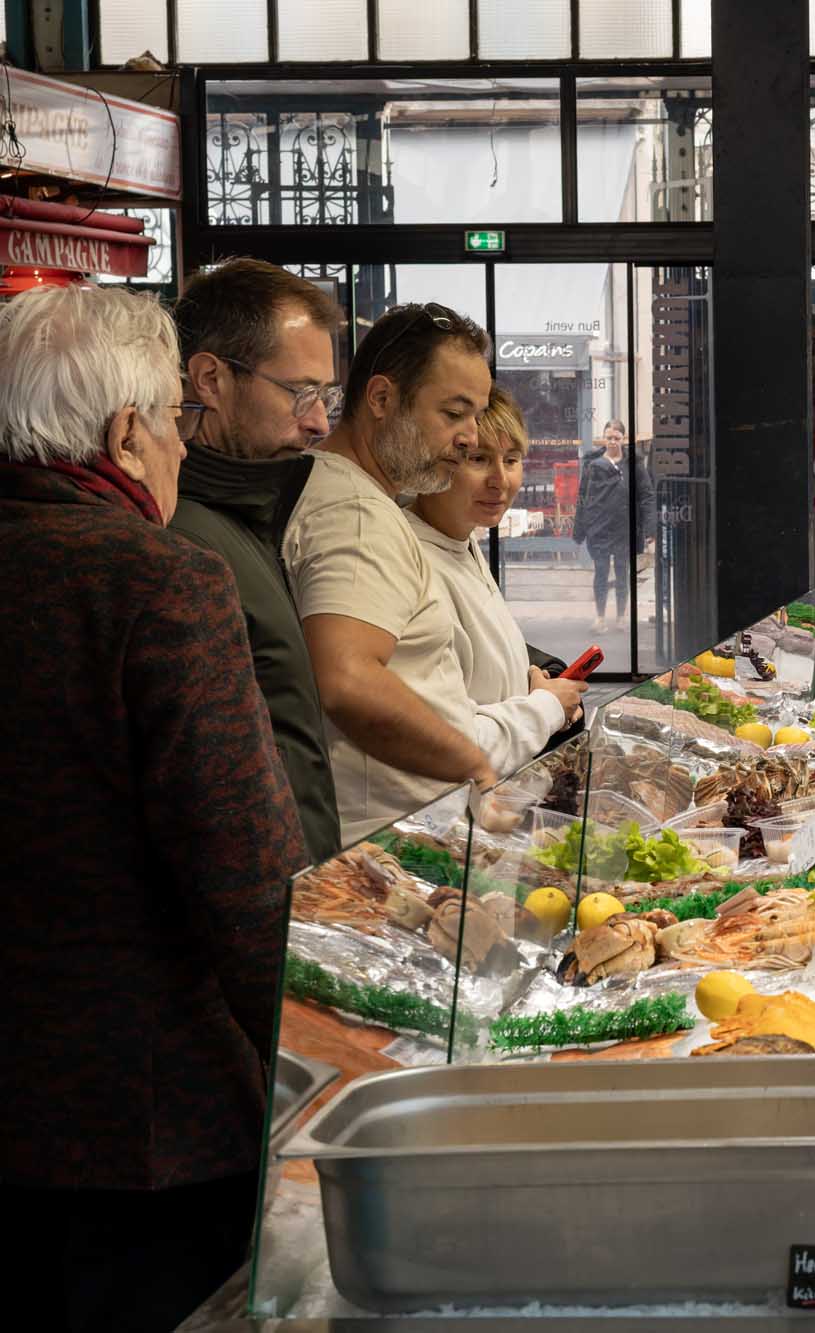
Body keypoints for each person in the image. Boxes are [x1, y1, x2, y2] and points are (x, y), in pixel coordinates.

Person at [0, 285, 305, 1330]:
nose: (181, 445)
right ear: (128, 433)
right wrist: (321, 1063)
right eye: (176, 421)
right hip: (139, 1126)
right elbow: (247, 877)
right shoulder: (160, 581)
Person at [285, 302, 498, 845]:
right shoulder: (357, 514)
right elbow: (347, 678)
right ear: (380, 398)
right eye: (453, 414)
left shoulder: (357, 495)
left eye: (476, 415)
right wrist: (472, 762)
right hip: (385, 842)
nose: (471, 437)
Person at [171, 258, 345, 862]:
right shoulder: (181, 544)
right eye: (300, 392)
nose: (319, 421)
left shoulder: (250, 512)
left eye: (326, 395)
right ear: (210, 379)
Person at [408, 386, 586, 774]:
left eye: (511, 459)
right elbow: (444, 738)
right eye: (478, 459)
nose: (500, 480)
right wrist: (545, 708)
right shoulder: (409, 563)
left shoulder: (461, 540)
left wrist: (543, 678)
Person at [575, 418, 657, 632]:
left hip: (624, 528)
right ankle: (600, 618)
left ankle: (621, 617)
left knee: (622, 573)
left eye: (616, 438)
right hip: (599, 527)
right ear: (604, 438)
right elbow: (583, 496)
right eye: (609, 437)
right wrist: (580, 529)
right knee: (601, 572)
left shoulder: (634, 464)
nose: (612, 441)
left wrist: (650, 530)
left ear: (623, 439)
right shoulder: (592, 463)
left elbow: (647, 495)